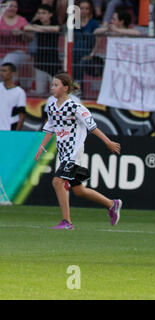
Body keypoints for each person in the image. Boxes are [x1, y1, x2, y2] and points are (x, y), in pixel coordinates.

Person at [34, 72, 122, 230]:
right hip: (64, 153)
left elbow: (92, 127)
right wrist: (42, 146)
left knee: (57, 181)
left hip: (74, 153)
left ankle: (67, 222)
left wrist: (108, 142)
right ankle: (112, 204)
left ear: (65, 88)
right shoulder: (52, 106)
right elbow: (50, 128)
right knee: (79, 190)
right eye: (52, 85)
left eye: (55, 85)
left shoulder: (76, 107)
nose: (52, 88)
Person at [24, 4, 61, 95]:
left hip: (53, 62)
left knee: (54, 92)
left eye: (44, 13)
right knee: (40, 91)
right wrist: (34, 22)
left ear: (50, 14)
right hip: (40, 62)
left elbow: (56, 29)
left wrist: (38, 28)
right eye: (39, 13)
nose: (41, 15)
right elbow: (26, 27)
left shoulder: (55, 23)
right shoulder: (36, 23)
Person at [0, 0, 33, 90]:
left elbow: (31, 38)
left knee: (8, 62)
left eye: (15, 6)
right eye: (10, 6)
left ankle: (9, 88)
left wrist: (21, 33)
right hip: (2, 52)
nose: (12, 8)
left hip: (19, 52)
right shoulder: (0, 19)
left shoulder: (22, 20)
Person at [72, 0, 99, 96]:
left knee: (79, 68)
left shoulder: (94, 23)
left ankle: (78, 91)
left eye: (86, 8)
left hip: (87, 53)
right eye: (82, 8)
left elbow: (98, 40)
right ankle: (77, 91)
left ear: (90, 10)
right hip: (75, 52)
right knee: (74, 70)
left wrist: (92, 54)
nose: (84, 11)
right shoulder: (75, 22)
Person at [0, 62, 26, 131]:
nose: (1, 73)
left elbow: (22, 114)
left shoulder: (19, 92)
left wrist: (16, 133)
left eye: (4, 71)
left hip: (8, 130)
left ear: (13, 73)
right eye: (1, 70)